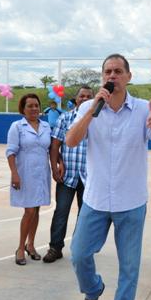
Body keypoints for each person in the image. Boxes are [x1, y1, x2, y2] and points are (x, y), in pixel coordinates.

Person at [65, 54, 151, 300]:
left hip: (131, 200)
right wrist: (91, 111)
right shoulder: (89, 107)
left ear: (128, 76)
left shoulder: (143, 110)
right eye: (107, 72)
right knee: (79, 254)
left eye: (117, 71)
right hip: (96, 198)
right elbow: (71, 140)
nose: (112, 76)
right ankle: (93, 291)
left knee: (129, 266)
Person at [44, 85, 94, 263]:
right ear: (76, 98)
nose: (85, 99)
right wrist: (55, 166)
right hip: (67, 176)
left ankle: (79, 249)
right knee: (61, 212)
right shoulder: (65, 118)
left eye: (89, 96)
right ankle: (55, 248)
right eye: (82, 96)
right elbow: (55, 145)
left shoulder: (97, 120)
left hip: (90, 177)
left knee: (85, 216)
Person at [6, 93, 52, 265]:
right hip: (25, 174)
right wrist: (14, 173)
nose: (34, 109)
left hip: (42, 173)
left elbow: (51, 149)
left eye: (36, 105)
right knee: (29, 211)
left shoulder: (46, 126)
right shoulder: (17, 126)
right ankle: (20, 247)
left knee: (37, 209)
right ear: (23, 109)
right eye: (30, 106)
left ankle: (31, 245)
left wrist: (59, 163)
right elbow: (10, 152)